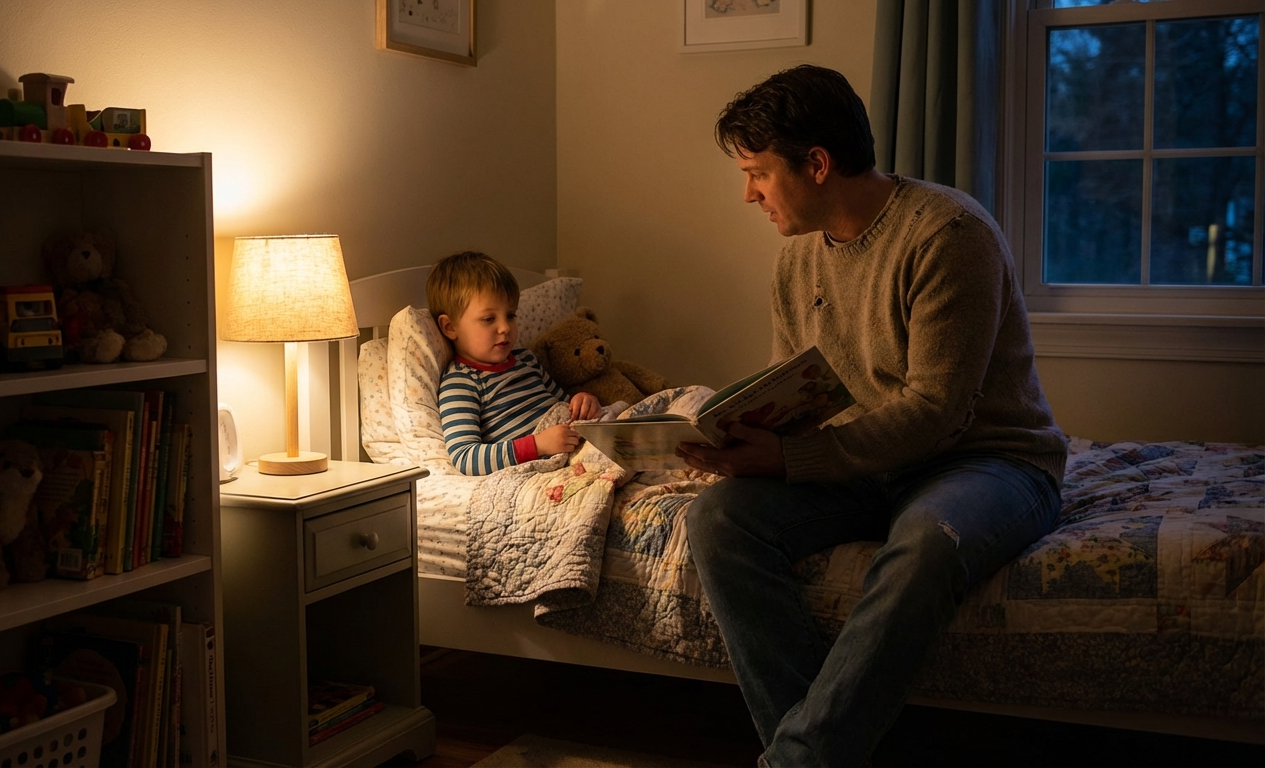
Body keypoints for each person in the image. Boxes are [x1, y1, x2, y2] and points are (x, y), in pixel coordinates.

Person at [677, 65, 1067, 766]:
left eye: (758, 173)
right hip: (865, 468)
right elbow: (802, 393)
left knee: (924, 544)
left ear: (818, 164)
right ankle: (820, 746)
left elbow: (935, 413)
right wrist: (747, 439)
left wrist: (791, 459)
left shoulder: (948, 234)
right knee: (718, 519)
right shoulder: (796, 260)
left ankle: (798, 761)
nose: (748, 194)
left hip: (987, 461)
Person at [428, 251, 601, 476]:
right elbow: (465, 457)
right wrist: (537, 445)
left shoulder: (525, 359)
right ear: (450, 327)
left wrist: (583, 403)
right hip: (545, 464)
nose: (505, 327)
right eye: (489, 319)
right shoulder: (461, 383)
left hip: (577, 442)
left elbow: (563, 405)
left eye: (510, 315)